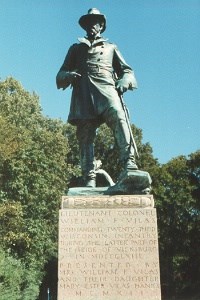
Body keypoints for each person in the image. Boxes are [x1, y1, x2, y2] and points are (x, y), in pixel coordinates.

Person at [56, 8, 138, 188]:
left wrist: (125, 80)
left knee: (119, 116)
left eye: (95, 21)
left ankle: (129, 163)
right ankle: (89, 178)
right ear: (84, 26)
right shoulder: (76, 49)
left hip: (107, 90)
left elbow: (127, 70)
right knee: (85, 136)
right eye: (89, 22)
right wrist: (68, 75)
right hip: (84, 95)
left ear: (101, 26)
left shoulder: (111, 47)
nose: (92, 25)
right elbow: (59, 75)